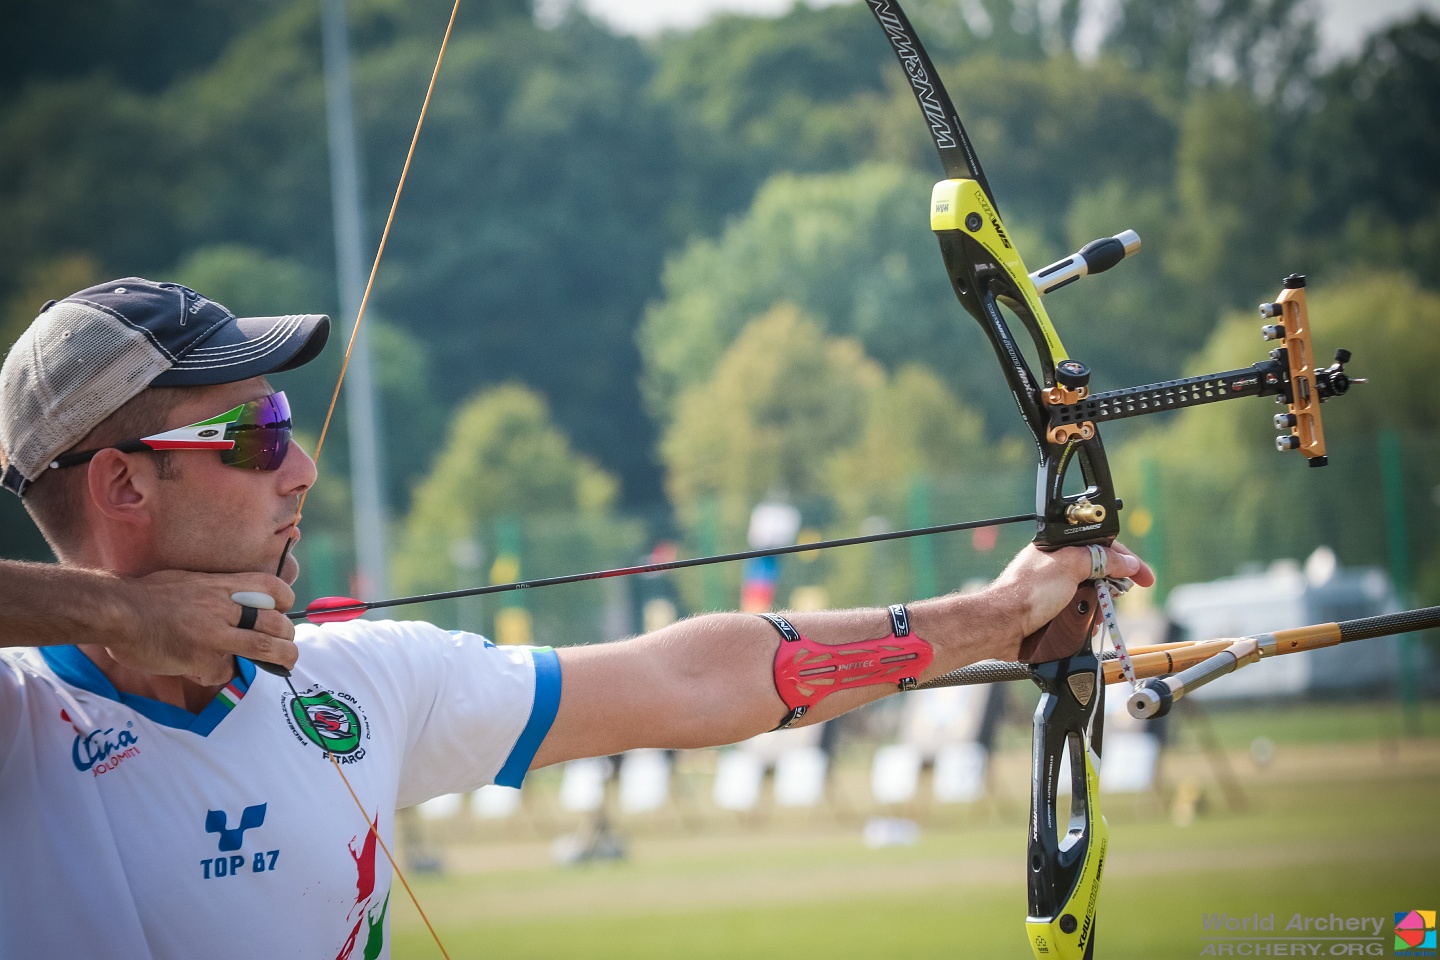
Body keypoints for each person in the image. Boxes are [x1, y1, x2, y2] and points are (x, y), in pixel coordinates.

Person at [0, 278, 1152, 958]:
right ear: (123, 488)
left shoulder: (354, 683)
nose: (299, 468)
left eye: (288, 424)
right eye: (251, 437)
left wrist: (998, 616)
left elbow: (694, 680)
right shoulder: (21, 722)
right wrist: (118, 619)